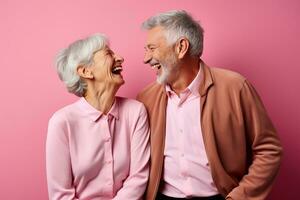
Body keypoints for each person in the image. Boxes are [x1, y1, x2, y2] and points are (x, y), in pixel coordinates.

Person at [137, 10, 282, 200]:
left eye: (152, 48)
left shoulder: (235, 87)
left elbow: (268, 149)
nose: (146, 58)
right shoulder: (145, 98)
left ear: (181, 47)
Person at [46, 34, 150, 200]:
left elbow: (138, 178)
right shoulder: (62, 122)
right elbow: (61, 195)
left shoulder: (136, 112)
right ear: (86, 71)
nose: (120, 58)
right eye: (109, 53)